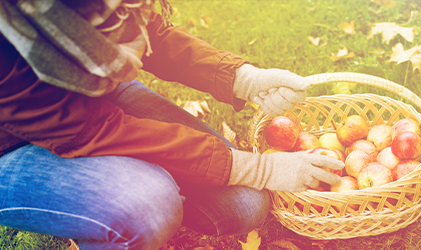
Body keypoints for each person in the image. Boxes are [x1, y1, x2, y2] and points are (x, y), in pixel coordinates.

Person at [0, 0, 343, 249]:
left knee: (243, 203)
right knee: (147, 205)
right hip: (10, 142)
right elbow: (87, 129)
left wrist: (242, 78)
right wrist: (255, 168)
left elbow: (151, 33)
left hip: (86, 97)